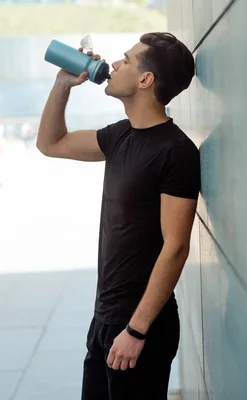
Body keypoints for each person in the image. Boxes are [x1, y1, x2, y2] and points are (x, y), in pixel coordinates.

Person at [36, 32, 200, 400]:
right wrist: (64, 83)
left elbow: (176, 248)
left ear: (146, 80)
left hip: (141, 329)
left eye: (127, 59)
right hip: (106, 319)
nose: (115, 64)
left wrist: (137, 331)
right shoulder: (120, 136)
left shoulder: (176, 151)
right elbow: (51, 143)